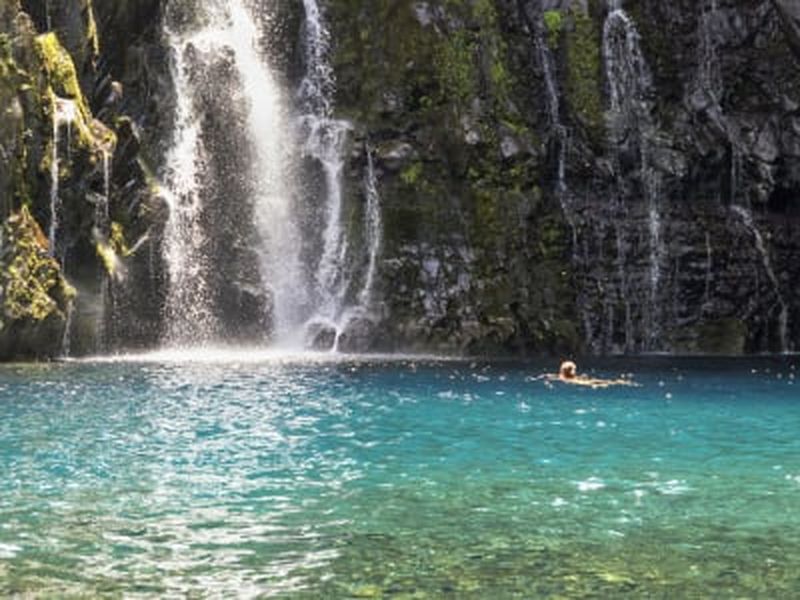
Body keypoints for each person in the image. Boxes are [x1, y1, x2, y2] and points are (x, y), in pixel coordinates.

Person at [544, 360, 638, 389]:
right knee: (599, 382)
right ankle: (619, 382)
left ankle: (617, 382)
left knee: (596, 382)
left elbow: (549, 377)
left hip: (578, 382)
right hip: (580, 382)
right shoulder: (574, 378)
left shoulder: (558, 377)